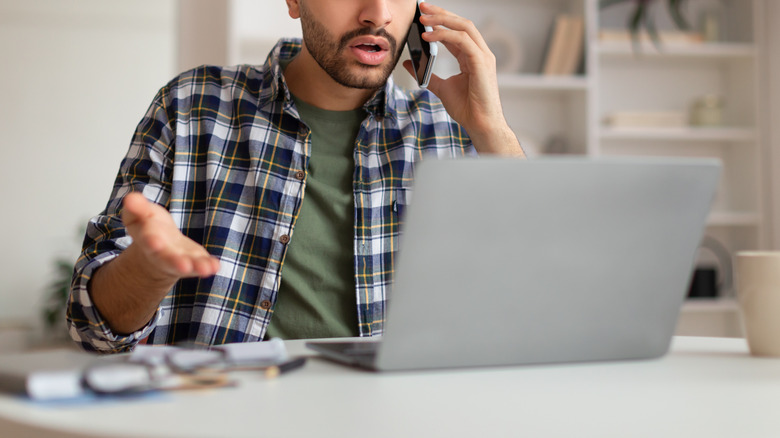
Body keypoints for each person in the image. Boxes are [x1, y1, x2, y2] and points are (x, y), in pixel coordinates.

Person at [67, 0, 524, 353]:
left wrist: (494, 132)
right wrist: (147, 270)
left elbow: (529, 308)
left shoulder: (447, 130)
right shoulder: (192, 106)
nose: (378, 14)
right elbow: (91, 327)